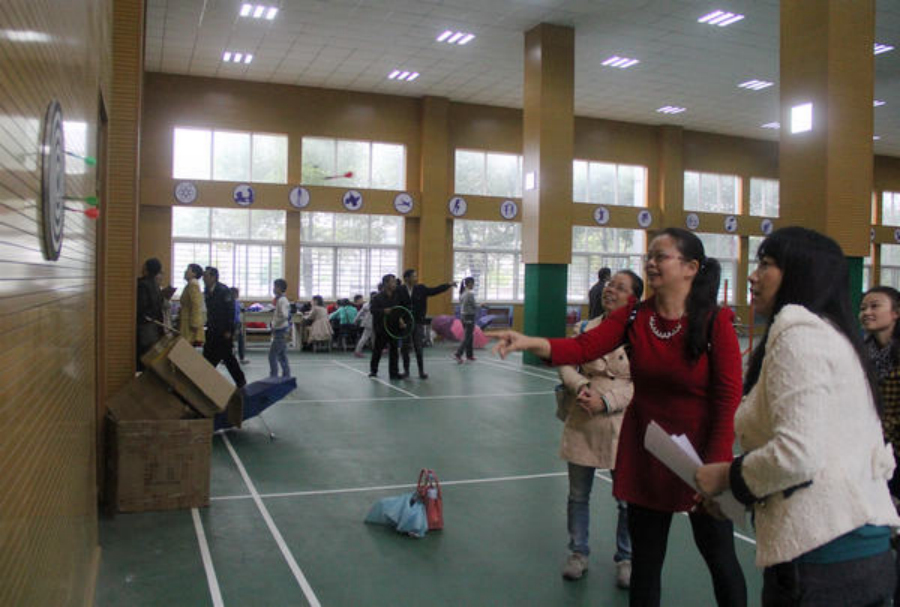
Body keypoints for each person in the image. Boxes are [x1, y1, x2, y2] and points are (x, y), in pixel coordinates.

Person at [492, 228, 746, 607]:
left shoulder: (715, 322)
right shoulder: (635, 316)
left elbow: (727, 398)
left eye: (661, 256)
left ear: (690, 267)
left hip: (703, 457)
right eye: (649, 256)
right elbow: (584, 346)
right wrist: (529, 342)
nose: (651, 263)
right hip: (649, 452)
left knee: (721, 560)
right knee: (645, 565)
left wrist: (717, 463)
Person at [695, 227, 899, 606]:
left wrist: (728, 476)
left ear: (802, 274)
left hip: (823, 559)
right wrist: (739, 494)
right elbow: (823, 453)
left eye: (766, 264)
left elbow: (798, 455)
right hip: (857, 551)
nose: (753, 276)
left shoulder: (799, 333)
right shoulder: (832, 335)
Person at [558, 269, 643, 588]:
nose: (610, 291)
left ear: (633, 299)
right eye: (610, 285)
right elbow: (566, 362)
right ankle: (578, 553)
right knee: (578, 495)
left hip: (622, 424)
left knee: (626, 500)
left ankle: (626, 558)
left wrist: (606, 401)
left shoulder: (641, 336)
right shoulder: (584, 328)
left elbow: (641, 383)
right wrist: (581, 386)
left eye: (620, 288)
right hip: (583, 421)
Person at [861, 286, 900, 499]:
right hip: (872, 446)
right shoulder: (859, 351)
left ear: (896, 313)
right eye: (863, 308)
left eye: (875, 306)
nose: (867, 312)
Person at [399, 269, 456, 379]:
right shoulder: (400, 290)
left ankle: (421, 372)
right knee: (405, 348)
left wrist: (448, 285)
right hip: (405, 323)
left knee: (418, 347)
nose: (416, 278)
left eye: (416, 276)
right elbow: (397, 305)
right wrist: (400, 320)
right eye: (413, 276)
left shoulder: (421, 288)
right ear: (406, 278)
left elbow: (435, 290)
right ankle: (406, 371)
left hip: (418, 322)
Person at [202, 267, 246, 388]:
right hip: (212, 329)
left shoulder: (224, 291)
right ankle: (203, 381)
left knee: (227, 357)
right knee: (208, 355)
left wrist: (229, 330)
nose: (203, 278)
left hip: (223, 330)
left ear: (213, 277)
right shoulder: (207, 290)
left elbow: (230, 312)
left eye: (206, 276)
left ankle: (241, 381)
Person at [370, 274, 405, 379]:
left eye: (395, 282)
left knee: (394, 351)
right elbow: (373, 311)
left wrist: (401, 320)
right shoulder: (377, 297)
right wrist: (383, 311)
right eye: (392, 282)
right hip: (381, 328)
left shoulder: (397, 296)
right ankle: (373, 371)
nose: (395, 284)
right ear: (386, 283)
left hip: (394, 328)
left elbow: (399, 310)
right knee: (378, 350)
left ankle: (394, 373)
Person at [136, 257, 164, 368]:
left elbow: (141, 307)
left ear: (146, 268)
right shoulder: (156, 285)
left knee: (141, 356)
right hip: (153, 326)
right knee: (149, 356)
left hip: (144, 326)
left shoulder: (142, 284)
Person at [269, 279, 291, 378]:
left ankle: (273, 376)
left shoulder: (282, 300)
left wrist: (275, 323)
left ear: (279, 288)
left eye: (275, 287)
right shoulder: (280, 300)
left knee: (272, 355)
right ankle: (286, 375)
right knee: (281, 355)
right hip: (280, 329)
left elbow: (284, 315)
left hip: (280, 330)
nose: (273, 289)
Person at [179, 264, 205, 347]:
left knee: (187, 347)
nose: (185, 272)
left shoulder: (193, 284)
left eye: (188, 270)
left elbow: (196, 304)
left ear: (194, 273)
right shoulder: (190, 284)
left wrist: (195, 323)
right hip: (187, 320)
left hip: (190, 323)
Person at [454, 277, 477, 364]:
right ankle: (458, 354)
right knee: (468, 337)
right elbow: (474, 306)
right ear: (469, 284)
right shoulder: (469, 294)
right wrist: (481, 305)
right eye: (473, 283)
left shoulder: (462, 293)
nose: (473, 285)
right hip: (469, 316)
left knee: (470, 336)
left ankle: (469, 355)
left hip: (463, 317)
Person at [354, 291, 377, 358]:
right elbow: (360, 313)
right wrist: (355, 320)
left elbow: (359, 313)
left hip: (371, 323)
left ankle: (375, 350)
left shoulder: (366, 304)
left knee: (374, 337)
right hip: (370, 324)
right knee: (365, 337)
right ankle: (357, 351)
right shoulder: (371, 305)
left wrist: (355, 320)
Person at [231, 287, 248, 364]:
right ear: (234, 294)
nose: (238, 295)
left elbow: (240, 309)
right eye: (237, 293)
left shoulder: (236, 302)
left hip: (234, 323)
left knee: (231, 341)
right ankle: (241, 358)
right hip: (235, 324)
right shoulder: (234, 302)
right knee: (239, 340)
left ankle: (230, 357)